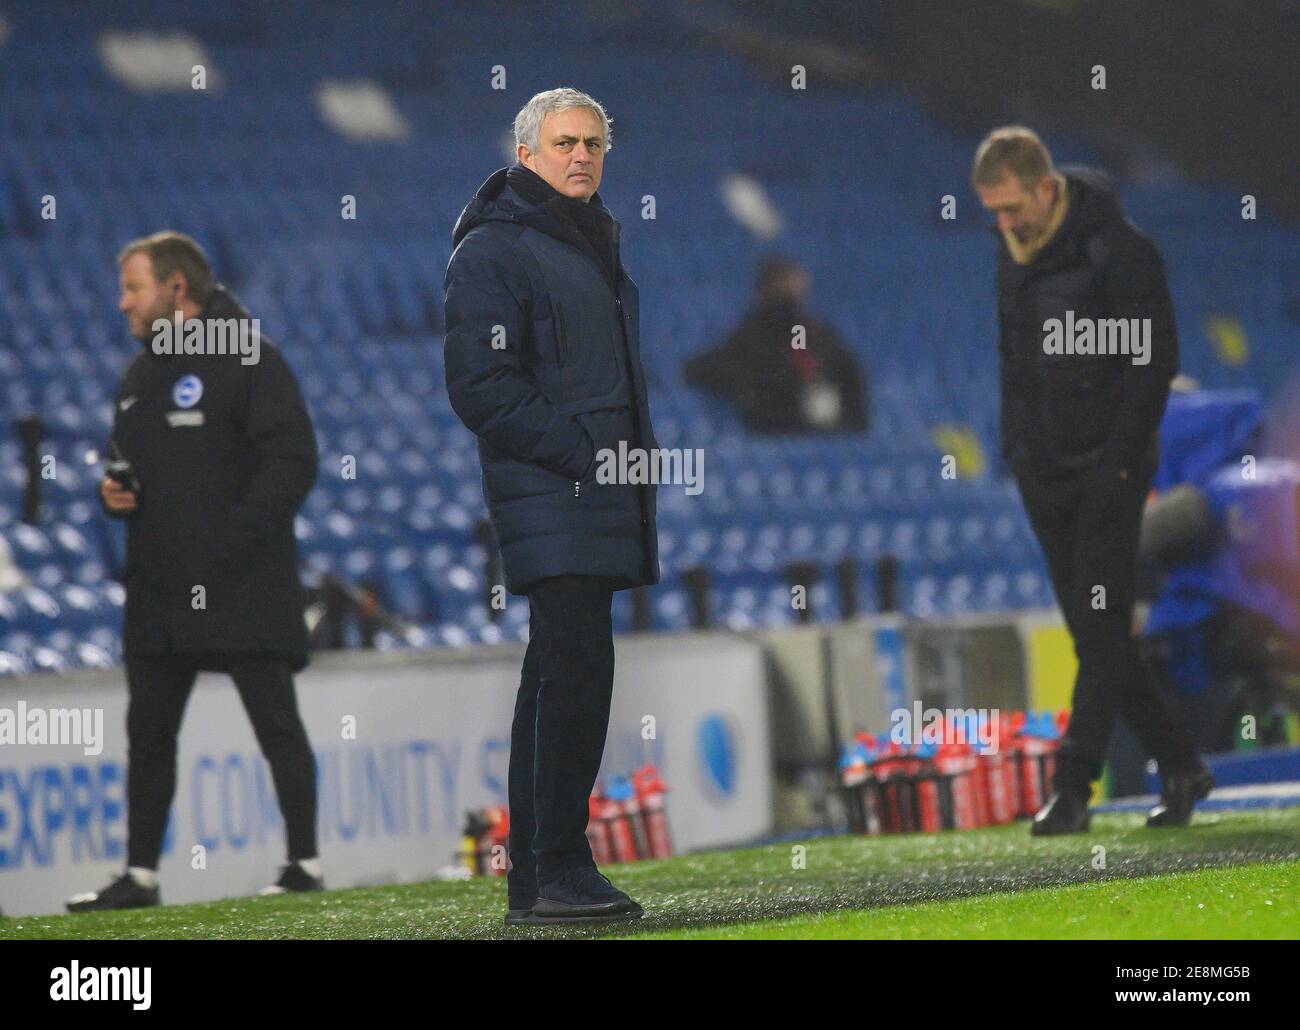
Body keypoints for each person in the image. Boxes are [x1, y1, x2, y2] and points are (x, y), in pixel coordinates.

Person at [444, 88, 658, 925]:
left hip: (590, 494)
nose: (583, 156)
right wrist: (586, 456)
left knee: (562, 678)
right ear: (526, 154)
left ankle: (542, 879)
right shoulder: (496, 250)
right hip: (558, 492)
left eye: (595, 144)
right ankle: (555, 867)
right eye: (566, 142)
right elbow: (480, 386)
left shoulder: (585, 241)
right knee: (572, 677)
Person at [67, 231, 322, 910]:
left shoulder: (250, 360)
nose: (122, 303)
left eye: (133, 288)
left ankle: (304, 862)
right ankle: (140, 874)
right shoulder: (141, 373)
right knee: (148, 733)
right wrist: (115, 494)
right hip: (158, 586)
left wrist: (227, 541)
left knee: (275, 721)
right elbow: (127, 466)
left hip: (242, 582)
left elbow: (294, 460)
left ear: (176, 290)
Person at [972, 126, 1214, 835]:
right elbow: (1013, 363)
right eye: (994, 212)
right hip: (1045, 473)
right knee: (1094, 632)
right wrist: (1017, 452)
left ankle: (1073, 788)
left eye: (1012, 208)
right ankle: (1183, 764)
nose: (1004, 224)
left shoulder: (1122, 251)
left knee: (1101, 628)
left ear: (1046, 187)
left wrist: (1118, 463)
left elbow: (1153, 362)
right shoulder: (1010, 256)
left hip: (1108, 468)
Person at [684, 256, 869, 434]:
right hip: (772, 431)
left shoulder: (817, 333)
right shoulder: (752, 335)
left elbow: (850, 379)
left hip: (825, 431)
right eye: (784, 284)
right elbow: (718, 370)